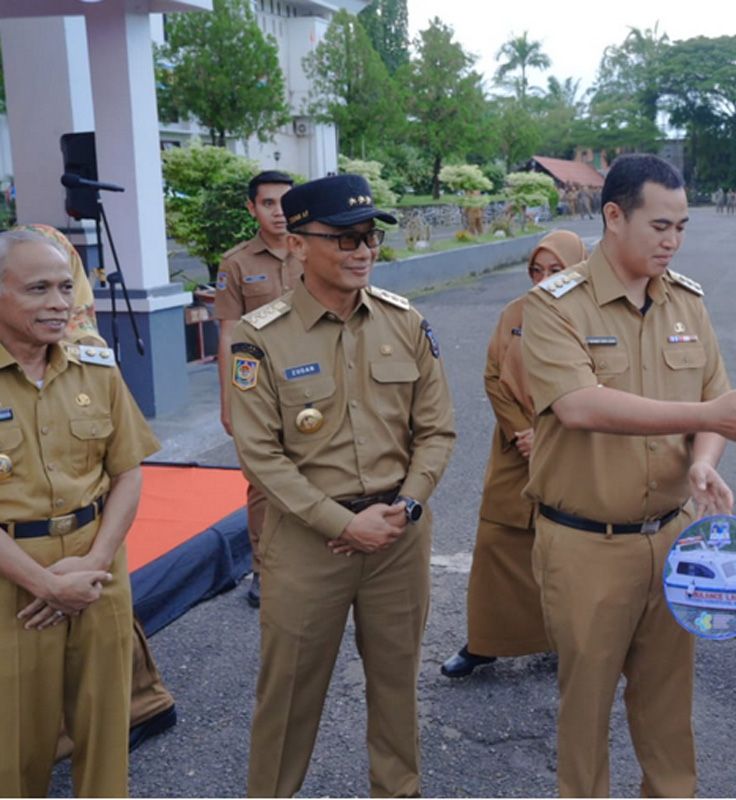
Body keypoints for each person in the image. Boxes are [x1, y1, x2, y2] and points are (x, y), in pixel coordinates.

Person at [521, 154, 736, 797]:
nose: (672, 241)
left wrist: (702, 461)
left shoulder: (686, 302)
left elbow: (713, 401)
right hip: (587, 544)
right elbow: (579, 405)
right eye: (659, 226)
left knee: (669, 713)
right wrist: (709, 415)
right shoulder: (555, 306)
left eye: (682, 227)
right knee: (585, 712)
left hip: (674, 538)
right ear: (614, 217)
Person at [229, 174, 456, 797]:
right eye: (346, 238)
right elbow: (260, 455)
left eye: (371, 237)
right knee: (288, 699)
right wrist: (341, 522)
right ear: (298, 243)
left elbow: (437, 431)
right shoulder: (258, 338)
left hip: (397, 539)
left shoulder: (405, 321)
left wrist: (406, 506)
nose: (363, 250)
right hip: (310, 545)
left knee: (396, 689)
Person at [0, 229, 160, 796]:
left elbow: (129, 471)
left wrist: (94, 562)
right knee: (16, 741)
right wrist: (44, 582)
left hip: (99, 570)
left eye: (65, 287)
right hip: (14, 581)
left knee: (106, 727)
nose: (58, 303)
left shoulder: (95, 366)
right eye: (38, 289)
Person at [441, 230, 588, 679]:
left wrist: (546, 436)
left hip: (574, 453)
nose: (543, 280)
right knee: (497, 544)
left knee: (568, 554)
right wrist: (522, 432)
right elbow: (492, 377)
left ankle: (570, 642)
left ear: (579, 270)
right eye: (536, 271)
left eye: (555, 271)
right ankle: (485, 642)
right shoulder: (515, 314)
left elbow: (601, 391)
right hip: (514, 451)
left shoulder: (596, 318)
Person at [214, 170, 301, 608]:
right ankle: (266, 572)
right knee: (263, 484)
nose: (279, 211)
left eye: (285, 201)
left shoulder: (313, 249)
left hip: (312, 382)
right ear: (252, 208)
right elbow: (229, 335)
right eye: (268, 203)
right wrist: (230, 401)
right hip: (260, 390)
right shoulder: (236, 263)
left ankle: (319, 565)